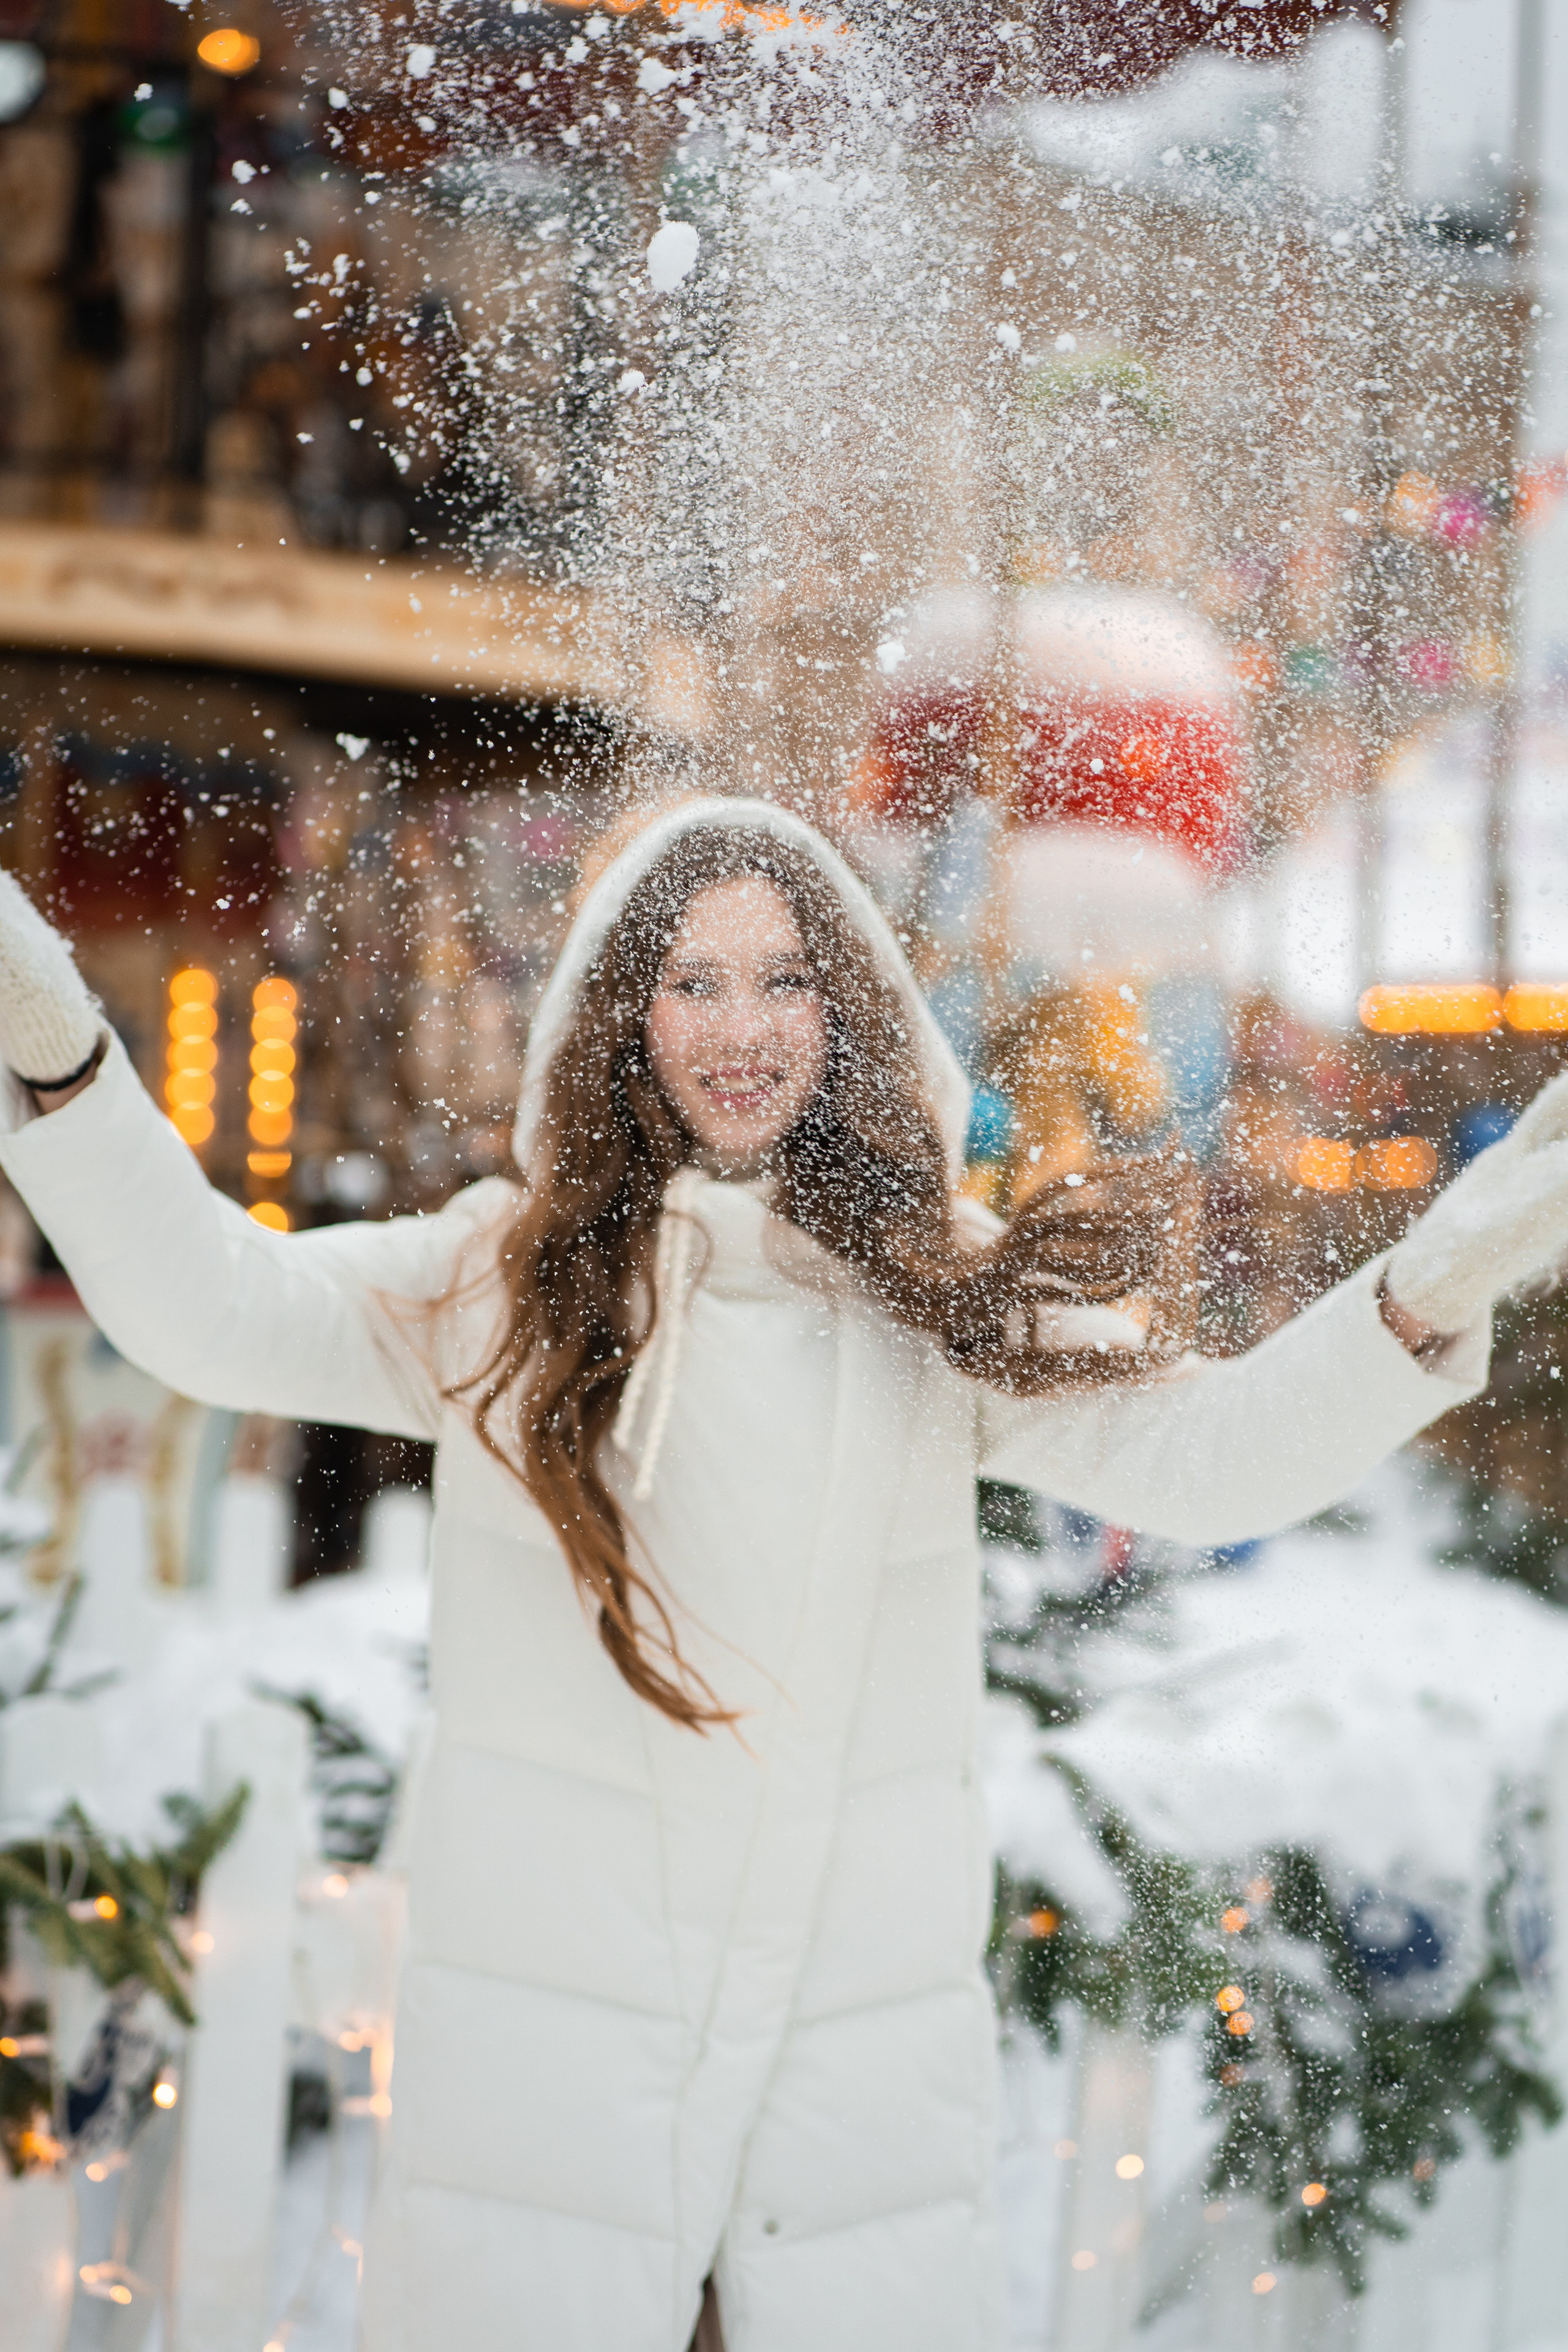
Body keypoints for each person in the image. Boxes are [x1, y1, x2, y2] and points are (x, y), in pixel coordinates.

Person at [2, 797, 1567, 2352]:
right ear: (625, 1015)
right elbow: (211, 1307)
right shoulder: (496, 1284)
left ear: (852, 1010)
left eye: (785, 978)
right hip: (553, 2134)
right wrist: (65, 1061)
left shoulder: (931, 1301)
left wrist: (1420, 1296)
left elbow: (1215, 1455)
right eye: (691, 980)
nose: (738, 1028)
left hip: (839, 2149)